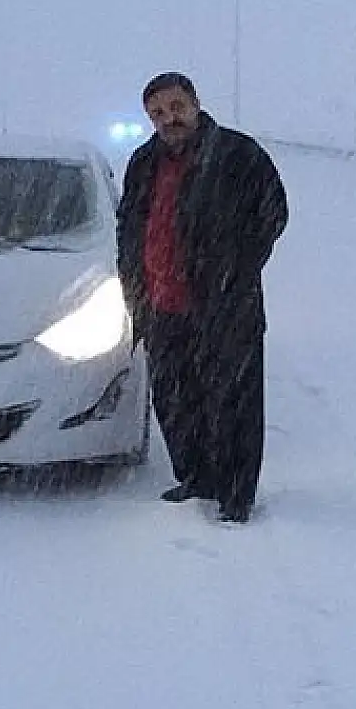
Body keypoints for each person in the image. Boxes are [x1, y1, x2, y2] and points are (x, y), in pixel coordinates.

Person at [116, 72, 288, 524]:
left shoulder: (237, 153)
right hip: (161, 306)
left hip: (224, 307)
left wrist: (237, 266)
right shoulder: (143, 162)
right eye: (157, 112)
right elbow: (130, 226)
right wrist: (134, 289)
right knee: (176, 400)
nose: (168, 118)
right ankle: (196, 478)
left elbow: (273, 211)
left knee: (231, 402)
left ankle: (235, 495)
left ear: (194, 103)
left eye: (176, 106)